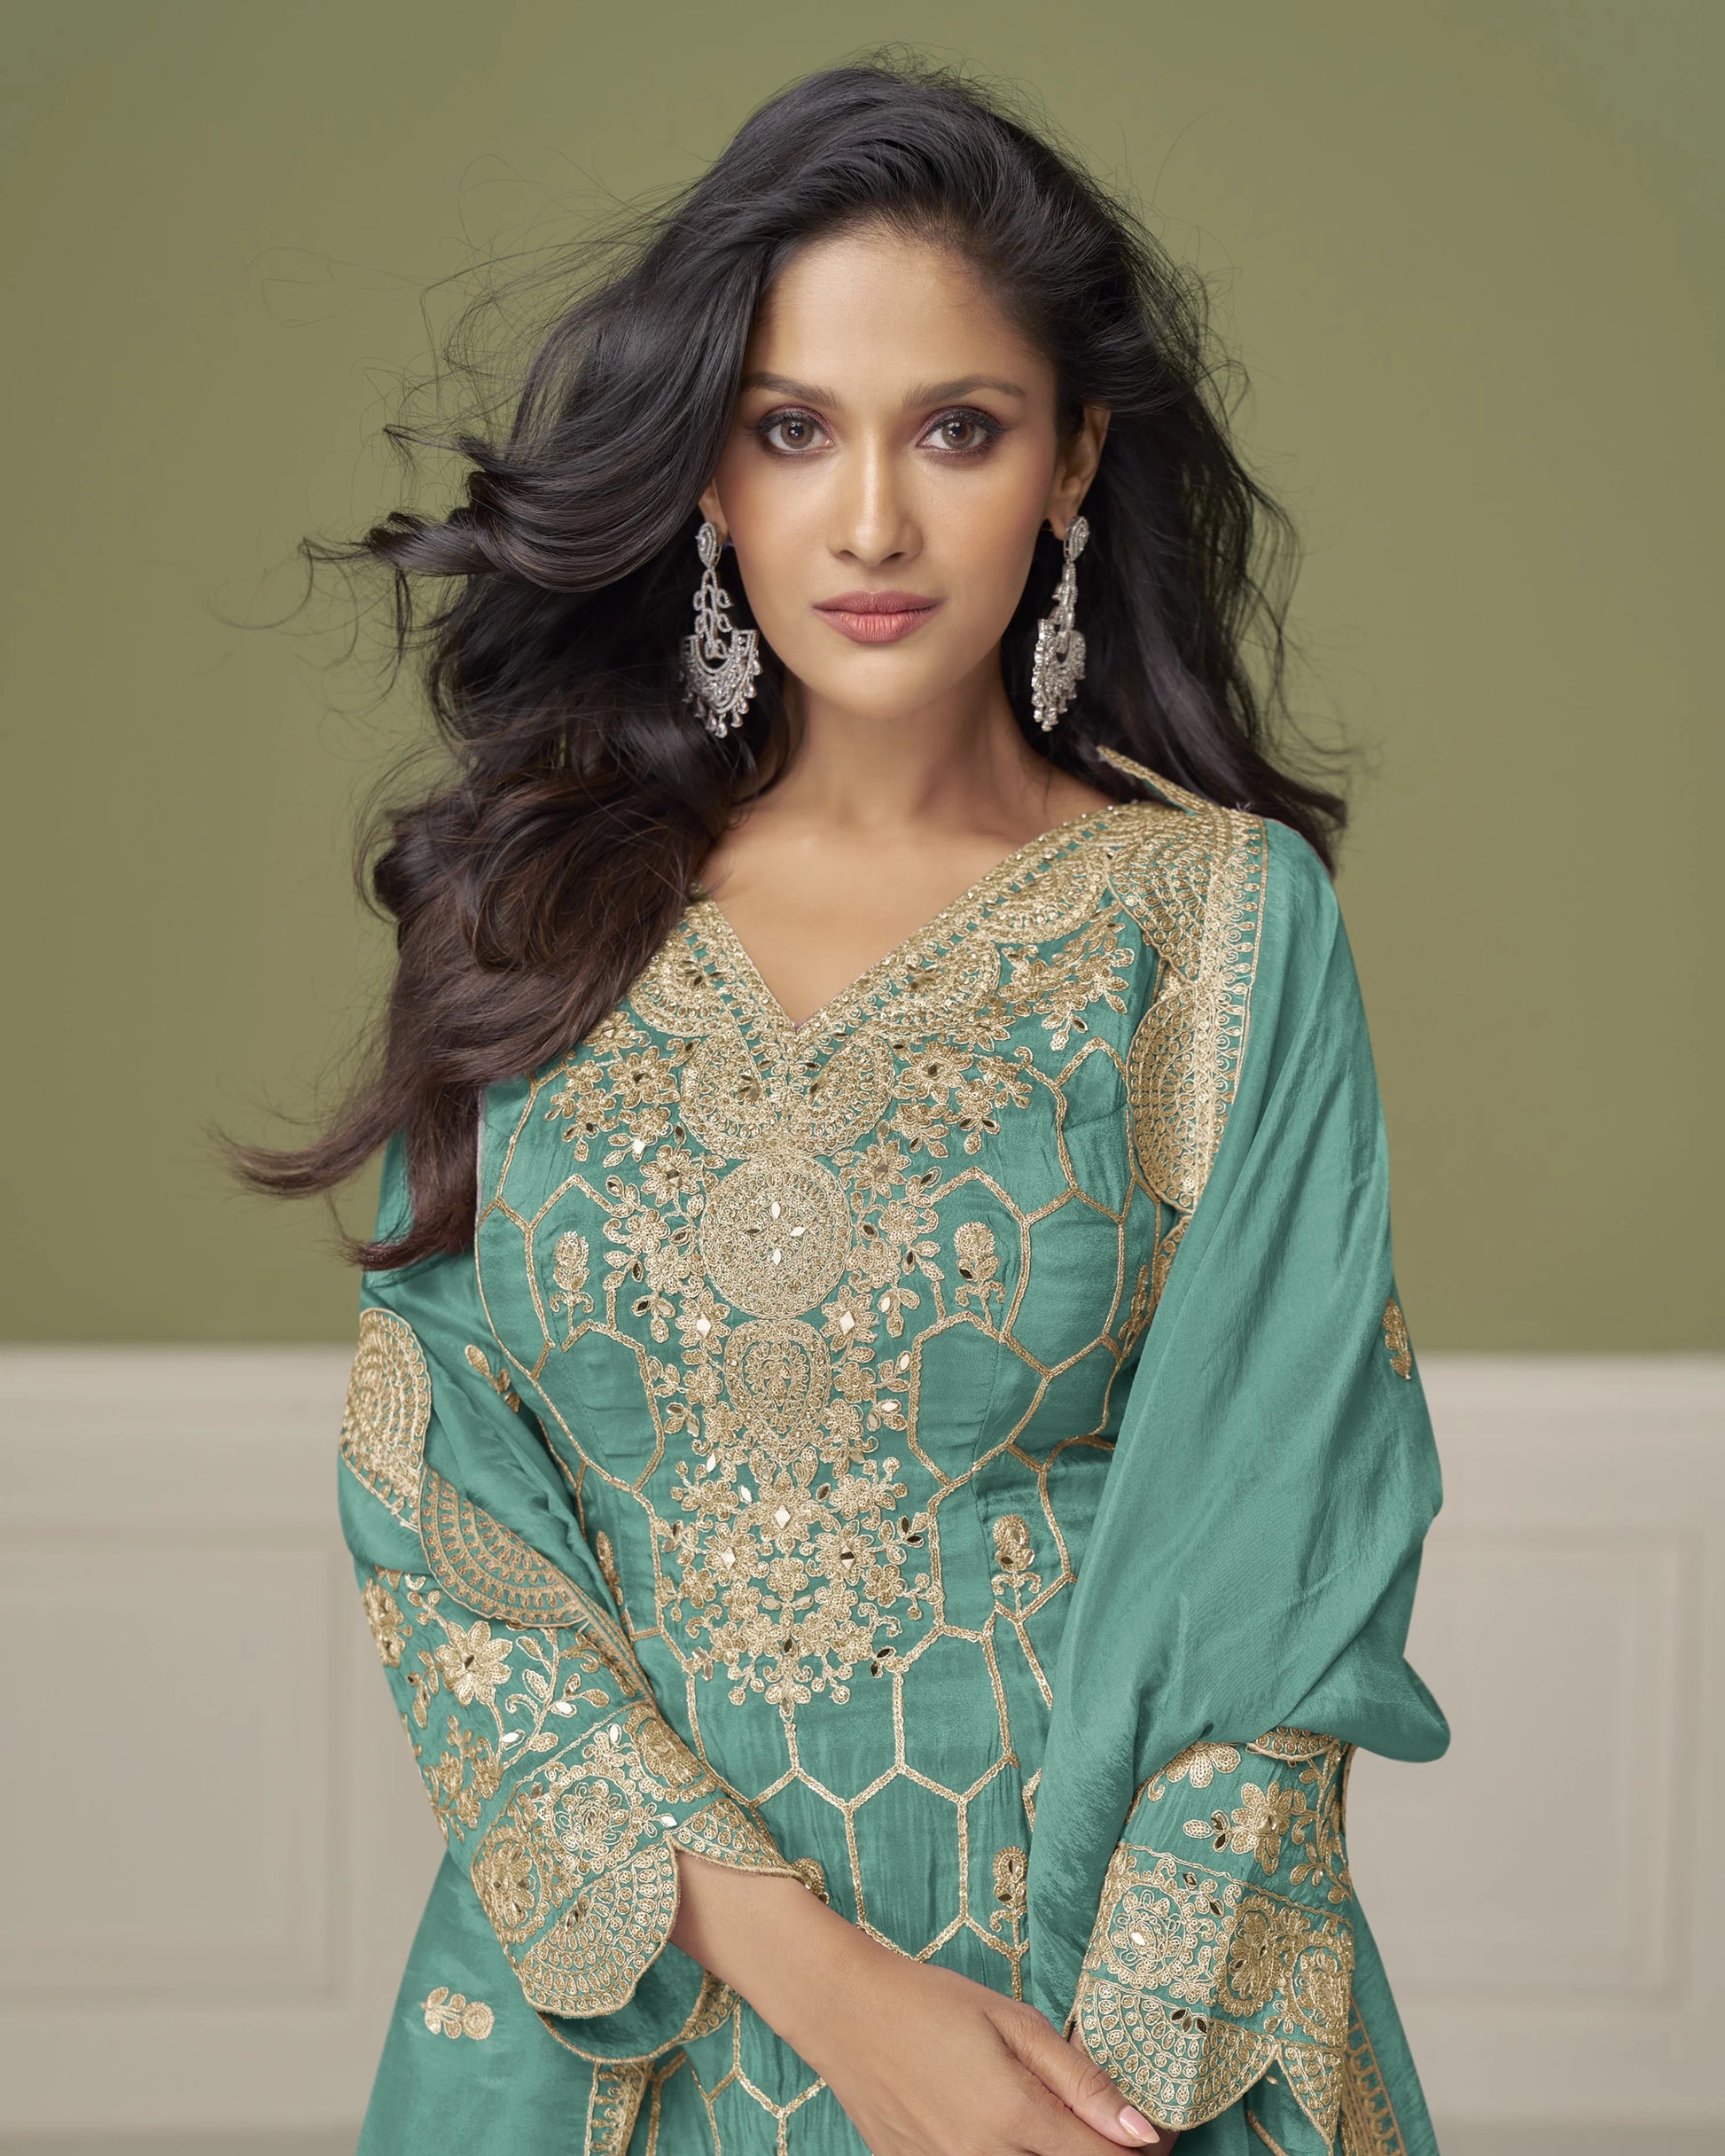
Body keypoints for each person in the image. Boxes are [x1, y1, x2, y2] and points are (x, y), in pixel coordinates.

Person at [243, 54, 1448, 2156]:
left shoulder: (1211, 926)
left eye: (955, 430)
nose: (870, 520)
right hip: (619, 2017)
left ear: (1071, 462)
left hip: (1085, 2030)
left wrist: (1071, 2090)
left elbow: (1278, 1574)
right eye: (792, 429)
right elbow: (436, 1502)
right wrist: (833, 1997)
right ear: (707, 475)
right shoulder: (546, 908)